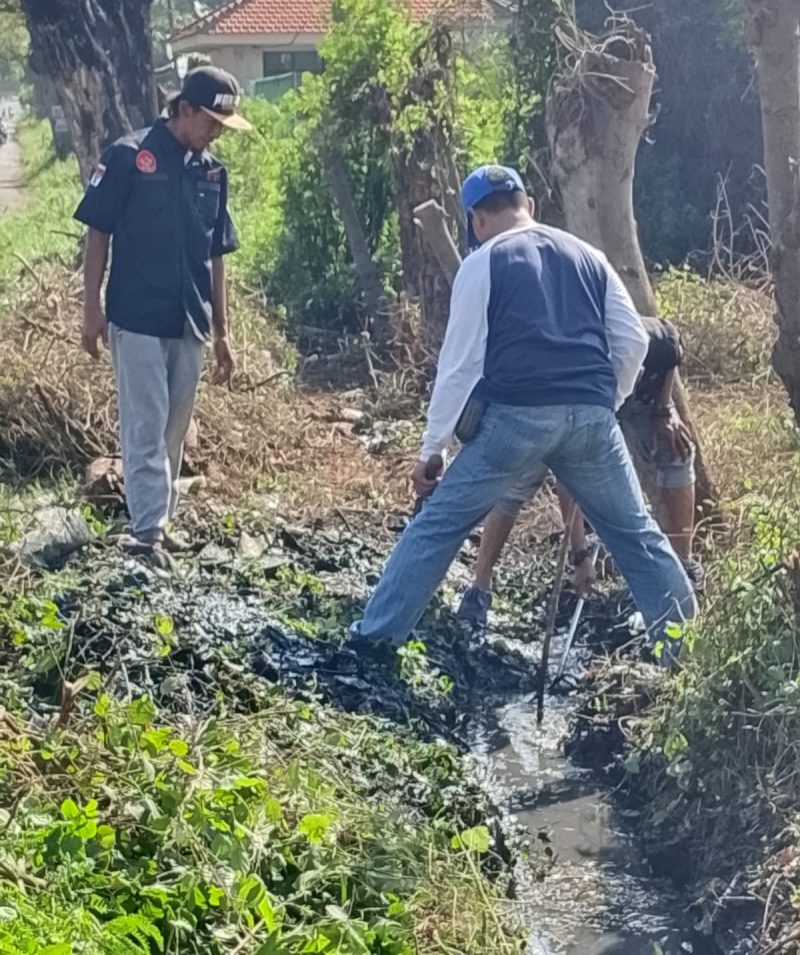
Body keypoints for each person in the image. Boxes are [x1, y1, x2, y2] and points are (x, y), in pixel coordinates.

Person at [347, 164, 697, 663]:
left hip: (515, 419)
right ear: (527, 206)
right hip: (591, 419)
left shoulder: (484, 262)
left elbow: (459, 366)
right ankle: (686, 657)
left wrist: (433, 450)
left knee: (438, 525)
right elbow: (633, 341)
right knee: (637, 535)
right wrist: (606, 401)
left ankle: (373, 643)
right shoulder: (589, 257)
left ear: (476, 220)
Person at [74, 66, 251, 566]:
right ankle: (146, 531)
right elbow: (98, 233)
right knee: (145, 424)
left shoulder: (212, 172)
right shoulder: (130, 156)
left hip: (189, 318)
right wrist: (91, 308)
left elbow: (217, 255)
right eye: (212, 121)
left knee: (174, 429)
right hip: (137, 315)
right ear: (184, 109)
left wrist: (223, 331)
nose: (217, 133)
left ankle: (160, 521)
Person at [457, 316, 701, 628]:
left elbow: (672, 352)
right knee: (515, 487)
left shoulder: (655, 341)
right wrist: (580, 555)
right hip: (564, 401)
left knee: (677, 450)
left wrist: (664, 409)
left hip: (636, 401)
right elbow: (570, 474)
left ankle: (682, 571)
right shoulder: (576, 366)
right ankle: (479, 587)